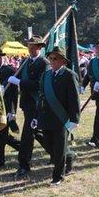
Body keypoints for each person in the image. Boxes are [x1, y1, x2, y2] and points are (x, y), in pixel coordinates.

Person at [34, 46, 80, 185]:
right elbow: (41, 97)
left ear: (63, 61)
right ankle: (70, 155)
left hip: (61, 118)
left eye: (55, 58)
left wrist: (74, 119)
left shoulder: (69, 75)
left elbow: (74, 99)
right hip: (46, 116)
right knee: (48, 144)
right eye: (50, 58)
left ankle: (57, 177)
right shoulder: (46, 75)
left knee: (59, 149)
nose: (52, 61)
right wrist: (36, 116)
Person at [7, 36, 50, 180]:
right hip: (26, 103)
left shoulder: (44, 63)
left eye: (34, 47)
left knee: (27, 134)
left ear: (40, 48)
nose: (31, 49)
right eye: (29, 47)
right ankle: (61, 154)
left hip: (37, 103)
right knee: (37, 132)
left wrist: (19, 82)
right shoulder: (26, 61)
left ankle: (24, 165)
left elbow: (39, 83)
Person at [0, 48, 21, 171]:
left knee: (1, 135)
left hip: (6, 108)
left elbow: (14, 94)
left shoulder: (9, 71)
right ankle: (22, 147)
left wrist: (12, 111)